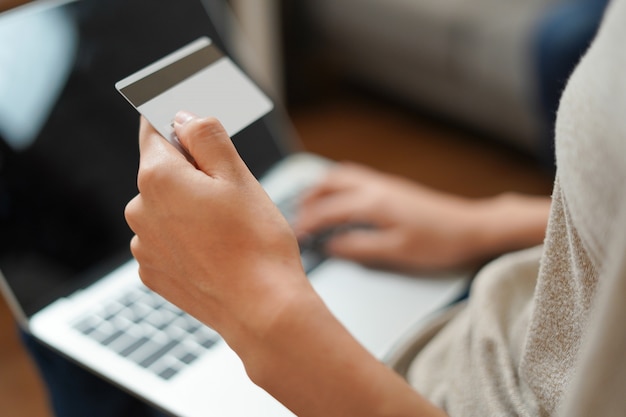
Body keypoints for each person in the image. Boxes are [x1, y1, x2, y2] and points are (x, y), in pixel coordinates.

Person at [124, 0, 626, 416]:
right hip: (500, 316)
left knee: (91, 373)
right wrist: (484, 223)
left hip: (435, 388)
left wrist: (259, 313)